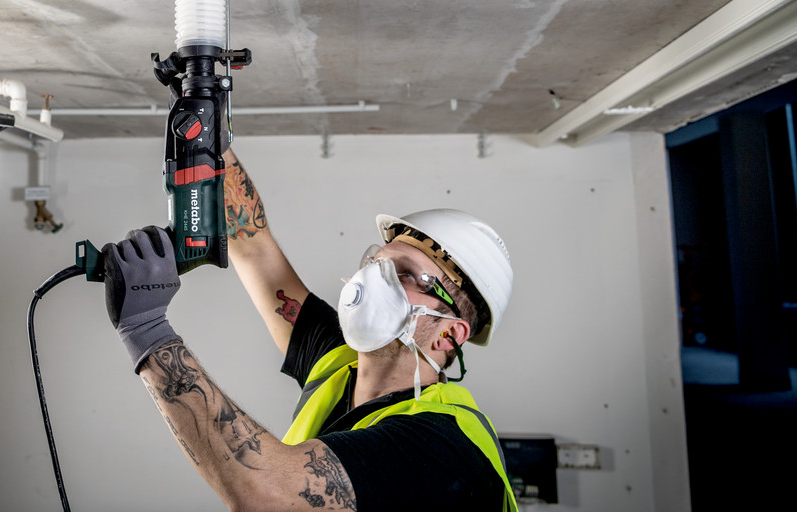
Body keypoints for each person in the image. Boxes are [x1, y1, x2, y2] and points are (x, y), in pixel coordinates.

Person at [100, 150, 518, 511]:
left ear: (449, 335)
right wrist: (210, 136)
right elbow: (253, 244)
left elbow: (266, 493)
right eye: (378, 262)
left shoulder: (445, 445)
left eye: (407, 275)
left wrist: (146, 327)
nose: (374, 278)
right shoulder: (336, 361)